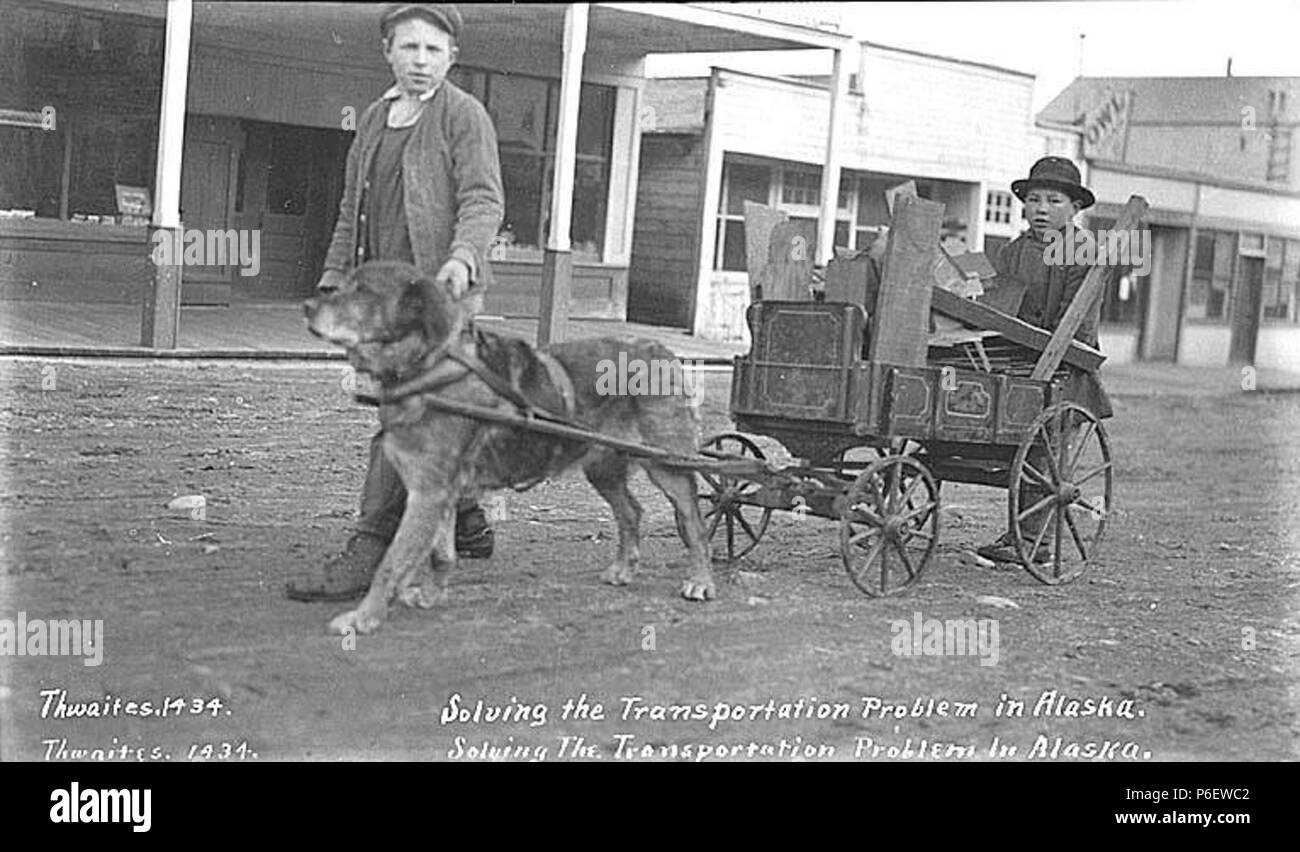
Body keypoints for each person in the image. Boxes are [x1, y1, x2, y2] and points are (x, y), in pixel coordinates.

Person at [286, 3, 505, 602]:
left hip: (435, 303)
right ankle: (465, 517)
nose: (421, 61)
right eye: (409, 48)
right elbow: (348, 211)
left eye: (434, 50)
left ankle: (369, 544)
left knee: (403, 418)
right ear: (388, 51)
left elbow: (483, 200)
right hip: (381, 300)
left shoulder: (465, 116)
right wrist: (335, 280)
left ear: (451, 56)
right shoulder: (375, 120)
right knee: (422, 413)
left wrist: (463, 257)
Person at [976, 156, 1113, 564]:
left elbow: (1078, 324)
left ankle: (1033, 539)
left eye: (1054, 201)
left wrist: (1053, 360)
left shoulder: (1082, 252)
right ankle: (1019, 534)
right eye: (1034, 199)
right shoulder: (1012, 251)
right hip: (1009, 360)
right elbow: (994, 305)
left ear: (1074, 209)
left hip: (1063, 367)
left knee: (1043, 449)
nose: (1041, 209)